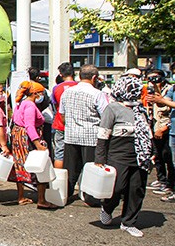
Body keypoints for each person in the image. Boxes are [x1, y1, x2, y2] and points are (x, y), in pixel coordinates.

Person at [96, 76, 153, 237]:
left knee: (136, 189)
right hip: (118, 154)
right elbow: (103, 135)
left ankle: (128, 222)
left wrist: (151, 154)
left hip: (139, 156)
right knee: (117, 187)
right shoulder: (112, 108)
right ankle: (107, 208)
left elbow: (148, 133)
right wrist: (100, 158)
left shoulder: (141, 109)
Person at [59, 64, 109, 201]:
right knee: (91, 170)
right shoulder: (97, 94)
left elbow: (62, 114)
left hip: (71, 136)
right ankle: (90, 197)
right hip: (91, 137)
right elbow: (106, 116)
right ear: (94, 78)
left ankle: (64, 195)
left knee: (70, 170)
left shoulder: (67, 92)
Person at [11, 81, 58, 209]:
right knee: (40, 166)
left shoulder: (21, 103)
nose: (42, 96)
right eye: (41, 93)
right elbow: (30, 126)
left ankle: (21, 196)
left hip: (18, 137)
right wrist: (38, 144)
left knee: (20, 165)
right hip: (29, 138)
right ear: (35, 94)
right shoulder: (30, 106)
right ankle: (42, 200)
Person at [149, 64, 175, 203]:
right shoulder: (172, 89)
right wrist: (157, 91)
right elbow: (161, 104)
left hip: (166, 127)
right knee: (162, 157)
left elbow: (166, 105)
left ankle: (170, 185)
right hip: (167, 129)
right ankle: (166, 184)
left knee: (169, 159)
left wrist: (162, 100)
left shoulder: (169, 87)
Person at [51, 62, 78, 169]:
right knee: (76, 153)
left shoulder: (56, 88)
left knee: (59, 153)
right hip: (77, 124)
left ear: (61, 74)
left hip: (60, 124)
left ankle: (59, 178)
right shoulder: (79, 86)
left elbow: (55, 105)